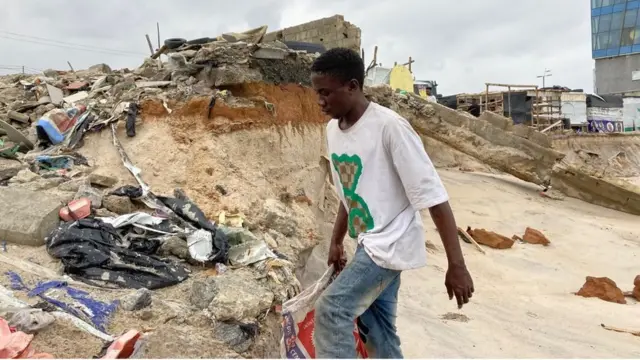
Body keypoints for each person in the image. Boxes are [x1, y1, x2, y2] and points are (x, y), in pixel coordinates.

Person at [310, 47, 474, 359]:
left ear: (353, 87)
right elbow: (350, 190)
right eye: (317, 93)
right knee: (378, 327)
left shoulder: (390, 128)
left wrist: (457, 265)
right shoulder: (333, 130)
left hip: (390, 244)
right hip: (368, 243)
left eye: (326, 93)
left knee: (332, 311)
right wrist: (336, 240)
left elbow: (434, 199)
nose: (320, 101)